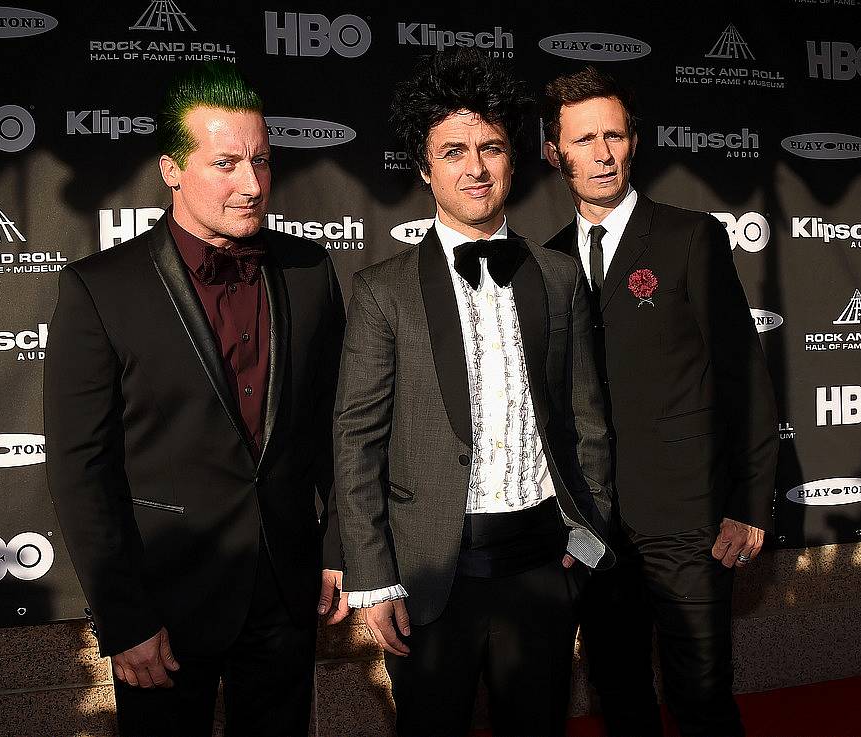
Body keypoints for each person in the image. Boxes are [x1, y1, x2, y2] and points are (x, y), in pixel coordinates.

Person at [44, 62, 347, 737]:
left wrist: (336, 547)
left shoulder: (308, 272)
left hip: (283, 591)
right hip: (164, 602)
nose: (252, 183)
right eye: (227, 162)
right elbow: (79, 470)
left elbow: (336, 425)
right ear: (171, 169)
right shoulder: (101, 289)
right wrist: (124, 619)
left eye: (262, 161)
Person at [334, 49, 614, 737]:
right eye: (453, 150)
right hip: (431, 573)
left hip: (544, 564)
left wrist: (587, 544)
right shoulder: (382, 291)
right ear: (425, 166)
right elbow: (356, 438)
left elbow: (590, 422)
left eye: (490, 147)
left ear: (513, 158)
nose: (476, 167)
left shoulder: (558, 277)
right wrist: (375, 579)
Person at [541, 65, 779, 737]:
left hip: (688, 521)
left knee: (700, 695)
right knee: (620, 694)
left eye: (614, 135)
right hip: (594, 528)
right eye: (584, 139)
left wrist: (747, 502)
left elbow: (742, 375)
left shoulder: (688, 238)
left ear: (635, 142)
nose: (602, 153)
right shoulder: (548, 260)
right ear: (554, 151)